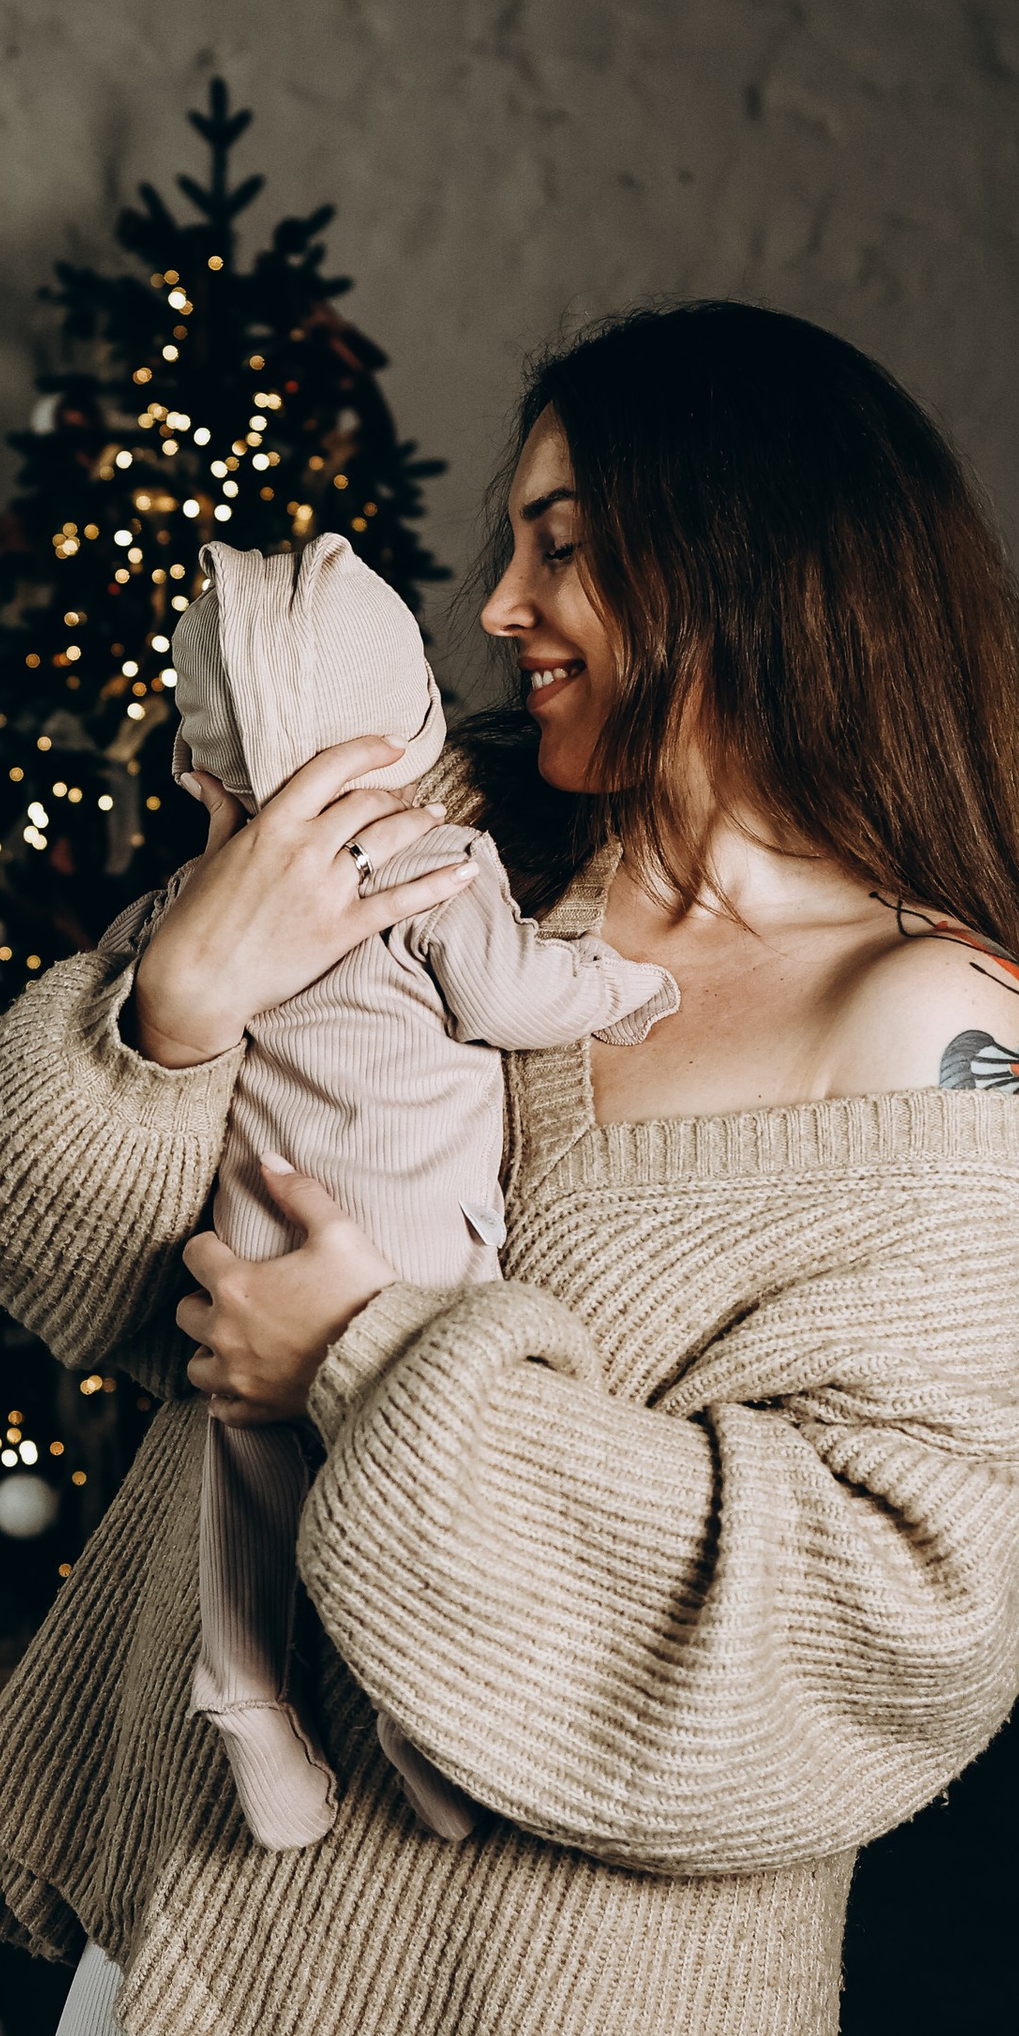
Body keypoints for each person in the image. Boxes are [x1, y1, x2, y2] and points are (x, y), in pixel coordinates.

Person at [0, 300, 1019, 2036]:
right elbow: (59, 1263)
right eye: (503, 543)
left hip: (594, 1995)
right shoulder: (423, 851)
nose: (496, 605)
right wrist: (178, 993)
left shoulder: (931, 1021)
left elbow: (895, 1604)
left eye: (560, 540)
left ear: (740, 556)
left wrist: (366, 1359)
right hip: (239, 1874)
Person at [163, 528, 678, 1851]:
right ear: (405, 719)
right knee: (416, 1461)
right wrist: (623, 984)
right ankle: (414, 1707)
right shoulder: (428, 855)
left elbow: (156, 987)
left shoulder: (210, 893)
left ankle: (246, 1691)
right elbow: (509, 996)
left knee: (250, 1461)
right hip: (402, 1232)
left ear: (205, 760)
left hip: (252, 1217)